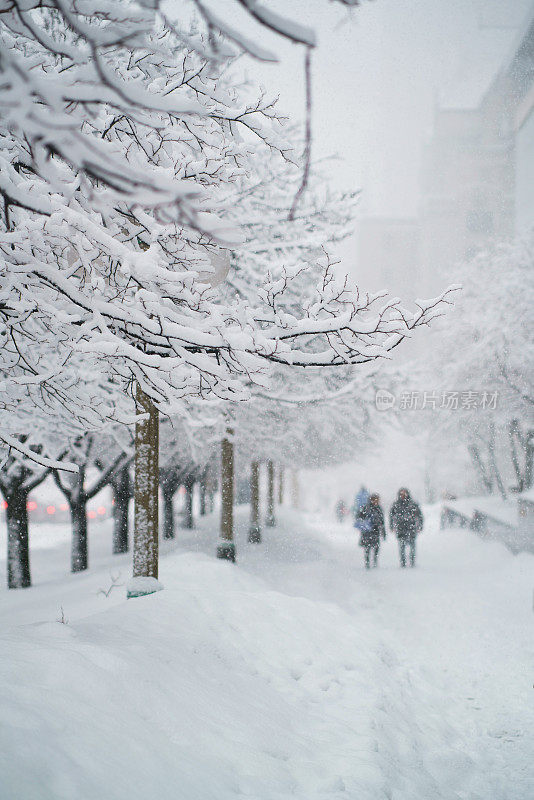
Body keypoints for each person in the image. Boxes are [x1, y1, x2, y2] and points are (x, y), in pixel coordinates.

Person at [389, 488, 423, 568]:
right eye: (401, 494)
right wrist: (391, 526)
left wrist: (420, 526)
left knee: (412, 546)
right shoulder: (396, 504)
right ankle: (403, 562)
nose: (403, 495)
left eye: (404, 493)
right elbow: (391, 516)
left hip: (411, 528)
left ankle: (412, 561)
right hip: (401, 528)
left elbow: (420, 515)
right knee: (402, 546)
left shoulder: (413, 504)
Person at [358, 493, 386, 569]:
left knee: (376, 547)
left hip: (376, 531)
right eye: (374, 500)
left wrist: (383, 532)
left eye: (377, 500)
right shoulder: (365, 508)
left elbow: (382, 521)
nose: (376, 501)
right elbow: (359, 517)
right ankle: (367, 562)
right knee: (367, 548)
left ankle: (375, 561)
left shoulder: (379, 509)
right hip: (367, 531)